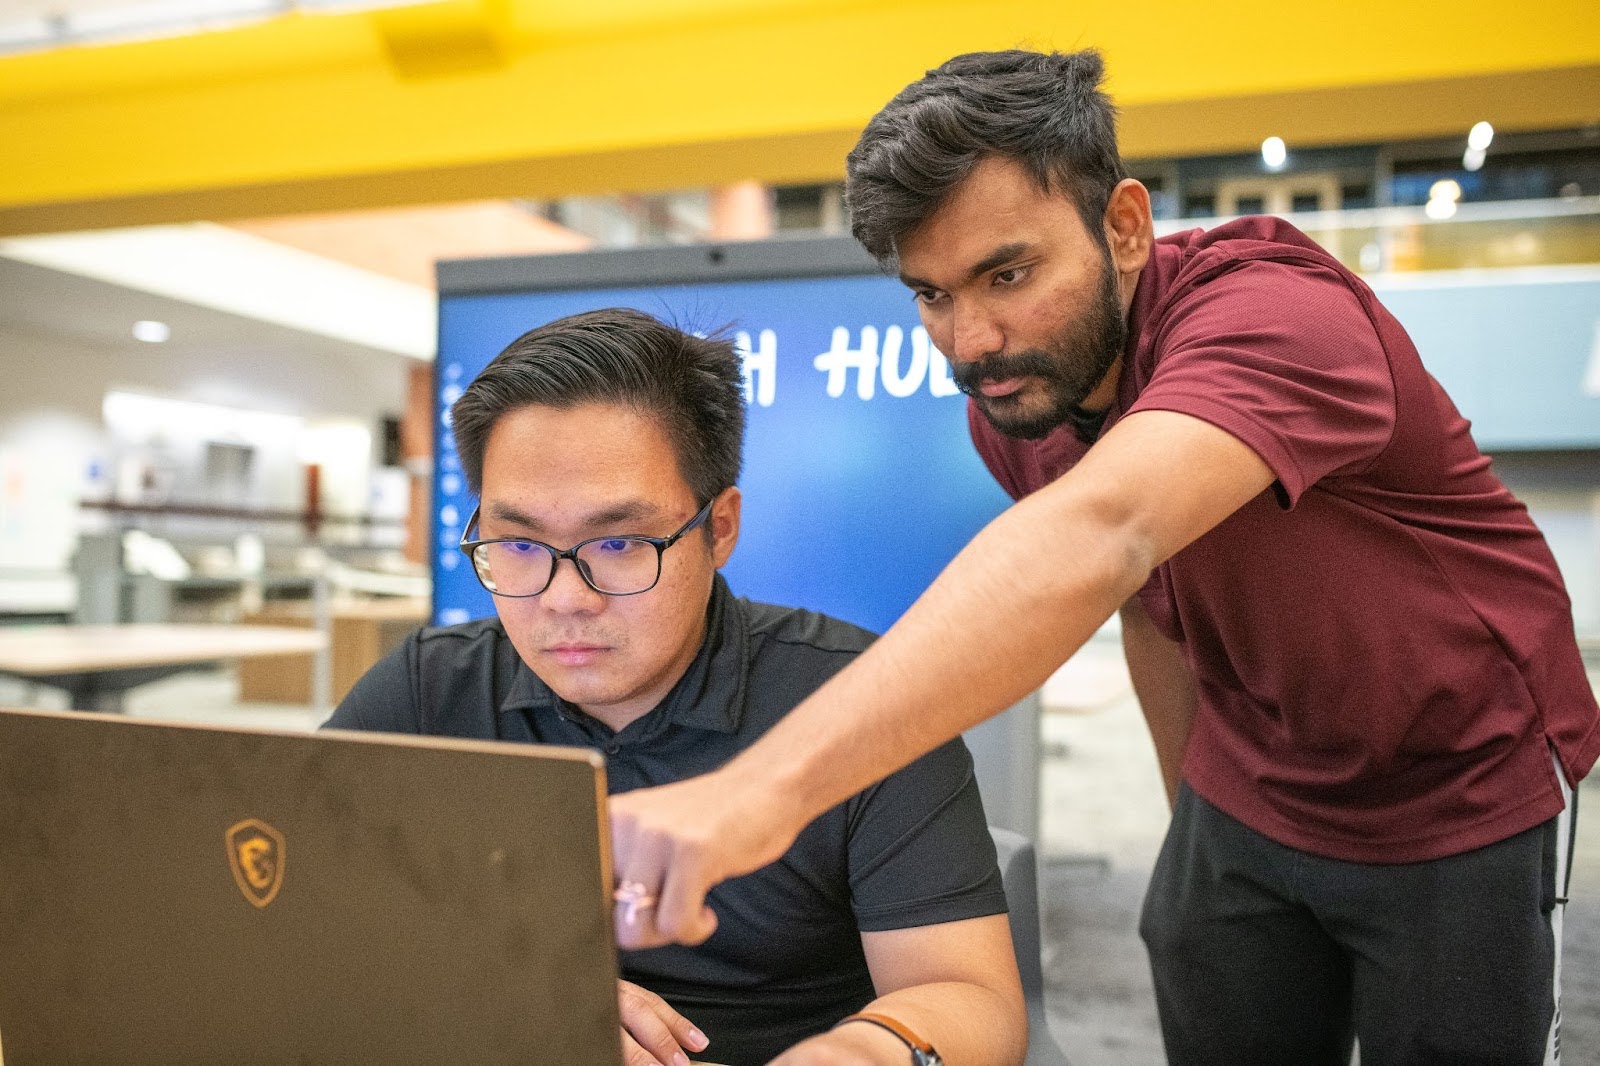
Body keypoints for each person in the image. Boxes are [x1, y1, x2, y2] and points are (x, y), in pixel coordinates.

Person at [607, 49, 1599, 1065]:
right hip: (1248, 781)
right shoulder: (1018, 403)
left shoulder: (1276, 315)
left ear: (1123, 227)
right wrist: (1197, 824)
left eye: (1007, 273)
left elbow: (1101, 534)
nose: (972, 339)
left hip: (1459, 778)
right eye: (932, 294)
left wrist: (758, 790)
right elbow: (1148, 602)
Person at [325, 308, 1024, 1066]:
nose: (564, 598)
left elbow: (971, 999)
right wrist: (529, 992)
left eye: (620, 542)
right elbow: (297, 914)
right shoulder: (430, 690)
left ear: (719, 527)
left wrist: (853, 1057)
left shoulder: (863, 701)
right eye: (520, 544)